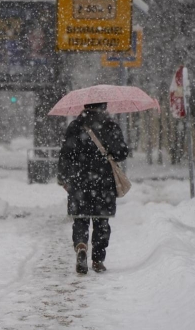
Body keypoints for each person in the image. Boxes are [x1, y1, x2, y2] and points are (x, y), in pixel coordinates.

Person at [57, 102, 129, 274]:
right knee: (101, 221)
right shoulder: (110, 125)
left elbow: (65, 154)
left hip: (78, 180)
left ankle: (81, 245)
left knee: (80, 219)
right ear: (103, 107)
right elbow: (121, 153)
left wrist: (63, 178)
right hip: (103, 181)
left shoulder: (75, 126)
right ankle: (97, 259)